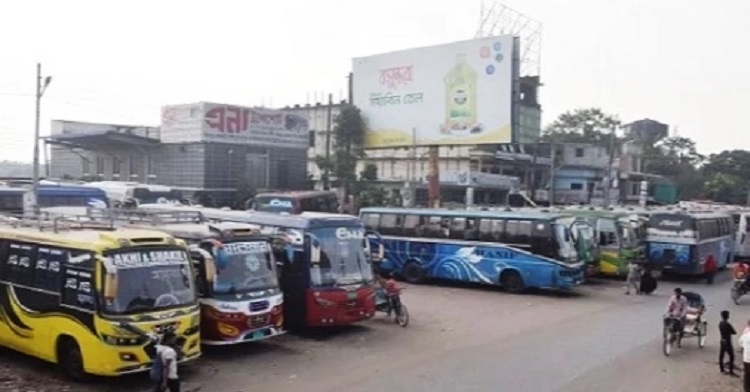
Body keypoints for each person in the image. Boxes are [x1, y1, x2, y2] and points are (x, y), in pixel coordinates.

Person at [719, 310, 738, 376]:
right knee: (731, 356)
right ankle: (731, 371)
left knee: (721, 355)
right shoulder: (728, 324)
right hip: (727, 341)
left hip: (722, 340)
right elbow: (734, 332)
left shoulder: (720, 323)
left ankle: (721, 369)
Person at [739, 321, 750, 391]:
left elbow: (740, 343)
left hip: (746, 358)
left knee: (747, 375)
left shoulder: (745, 335)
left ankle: (746, 388)